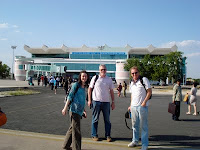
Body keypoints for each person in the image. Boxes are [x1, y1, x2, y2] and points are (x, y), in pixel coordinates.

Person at [62, 70, 89, 150]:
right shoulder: (76, 85)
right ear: (80, 77)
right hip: (73, 110)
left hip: (79, 111)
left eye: (85, 76)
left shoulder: (84, 87)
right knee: (77, 131)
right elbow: (70, 96)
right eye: (83, 76)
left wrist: (84, 110)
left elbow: (82, 100)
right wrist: (65, 108)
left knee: (72, 128)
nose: (84, 77)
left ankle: (65, 145)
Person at [88, 64, 115, 142]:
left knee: (107, 120)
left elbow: (111, 91)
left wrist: (113, 102)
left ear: (106, 70)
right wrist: (89, 100)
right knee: (95, 119)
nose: (103, 71)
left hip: (106, 102)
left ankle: (108, 135)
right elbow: (90, 89)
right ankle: (94, 135)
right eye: (101, 70)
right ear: (99, 70)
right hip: (96, 101)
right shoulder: (95, 78)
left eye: (104, 69)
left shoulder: (109, 79)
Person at [128, 66, 152, 150]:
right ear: (131, 74)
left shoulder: (144, 80)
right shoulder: (131, 82)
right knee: (134, 125)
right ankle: (135, 140)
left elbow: (149, 91)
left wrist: (144, 102)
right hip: (134, 106)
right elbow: (132, 95)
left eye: (136, 73)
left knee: (144, 126)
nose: (134, 74)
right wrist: (130, 105)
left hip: (142, 106)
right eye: (132, 73)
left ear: (139, 72)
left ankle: (144, 144)